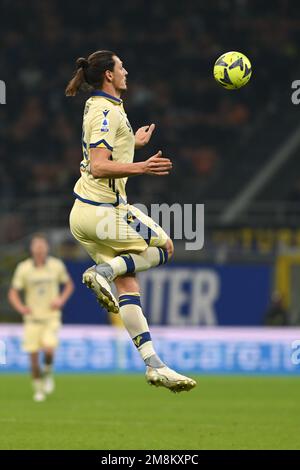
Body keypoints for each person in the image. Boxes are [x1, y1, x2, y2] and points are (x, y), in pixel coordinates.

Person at [66, 50, 196, 393]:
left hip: (83, 213)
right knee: (166, 248)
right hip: (105, 211)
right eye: (121, 66)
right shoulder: (106, 111)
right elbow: (98, 165)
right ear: (109, 74)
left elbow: (106, 155)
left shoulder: (100, 107)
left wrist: (131, 145)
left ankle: (155, 366)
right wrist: (142, 166)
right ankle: (103, 273)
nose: (126, 71)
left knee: (129, 282)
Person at [8, 233, 74, 402]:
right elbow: (13, 292)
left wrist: (61, 299)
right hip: (32, 319)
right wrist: (21, 308)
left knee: (49, 348)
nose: (39, 249)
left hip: (51, 317)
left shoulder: (56, 265)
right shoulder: (24, 268)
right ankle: (38, 389)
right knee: (33, 358)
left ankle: (49, 371)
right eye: (36, 246)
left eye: (41, 245)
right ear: (31, 248)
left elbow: (68, 285)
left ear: (46, 247)